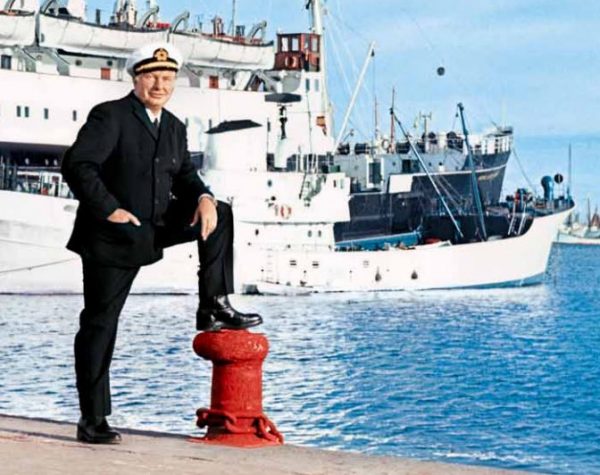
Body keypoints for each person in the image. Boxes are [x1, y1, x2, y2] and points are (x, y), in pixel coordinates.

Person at [61, 42, 262, 445]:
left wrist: (202, 196)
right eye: (152, 76)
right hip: (112, 236)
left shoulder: (173, 126)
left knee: (219, 212)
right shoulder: (110, 116)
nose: (160, 85)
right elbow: (77, 165)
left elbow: (184, 175)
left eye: (168, 78)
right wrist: (110, 210)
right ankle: (93, 418)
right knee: (100, 324)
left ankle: (213, 304)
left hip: (155, 227)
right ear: (136, 78)